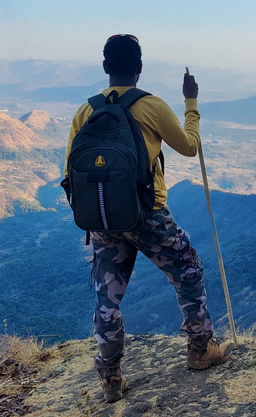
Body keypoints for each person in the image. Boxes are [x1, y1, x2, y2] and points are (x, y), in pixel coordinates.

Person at [64, 34, 232, 404]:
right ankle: (200, 349)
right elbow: (189, 146)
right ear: (140, 68)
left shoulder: (84, 112)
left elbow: (70, 172)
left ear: (105, 66)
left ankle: (110, 379)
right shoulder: (151, 106)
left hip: (103, 219)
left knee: (107, 296)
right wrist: (191, 101)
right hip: (147, 215)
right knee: (187, 268)